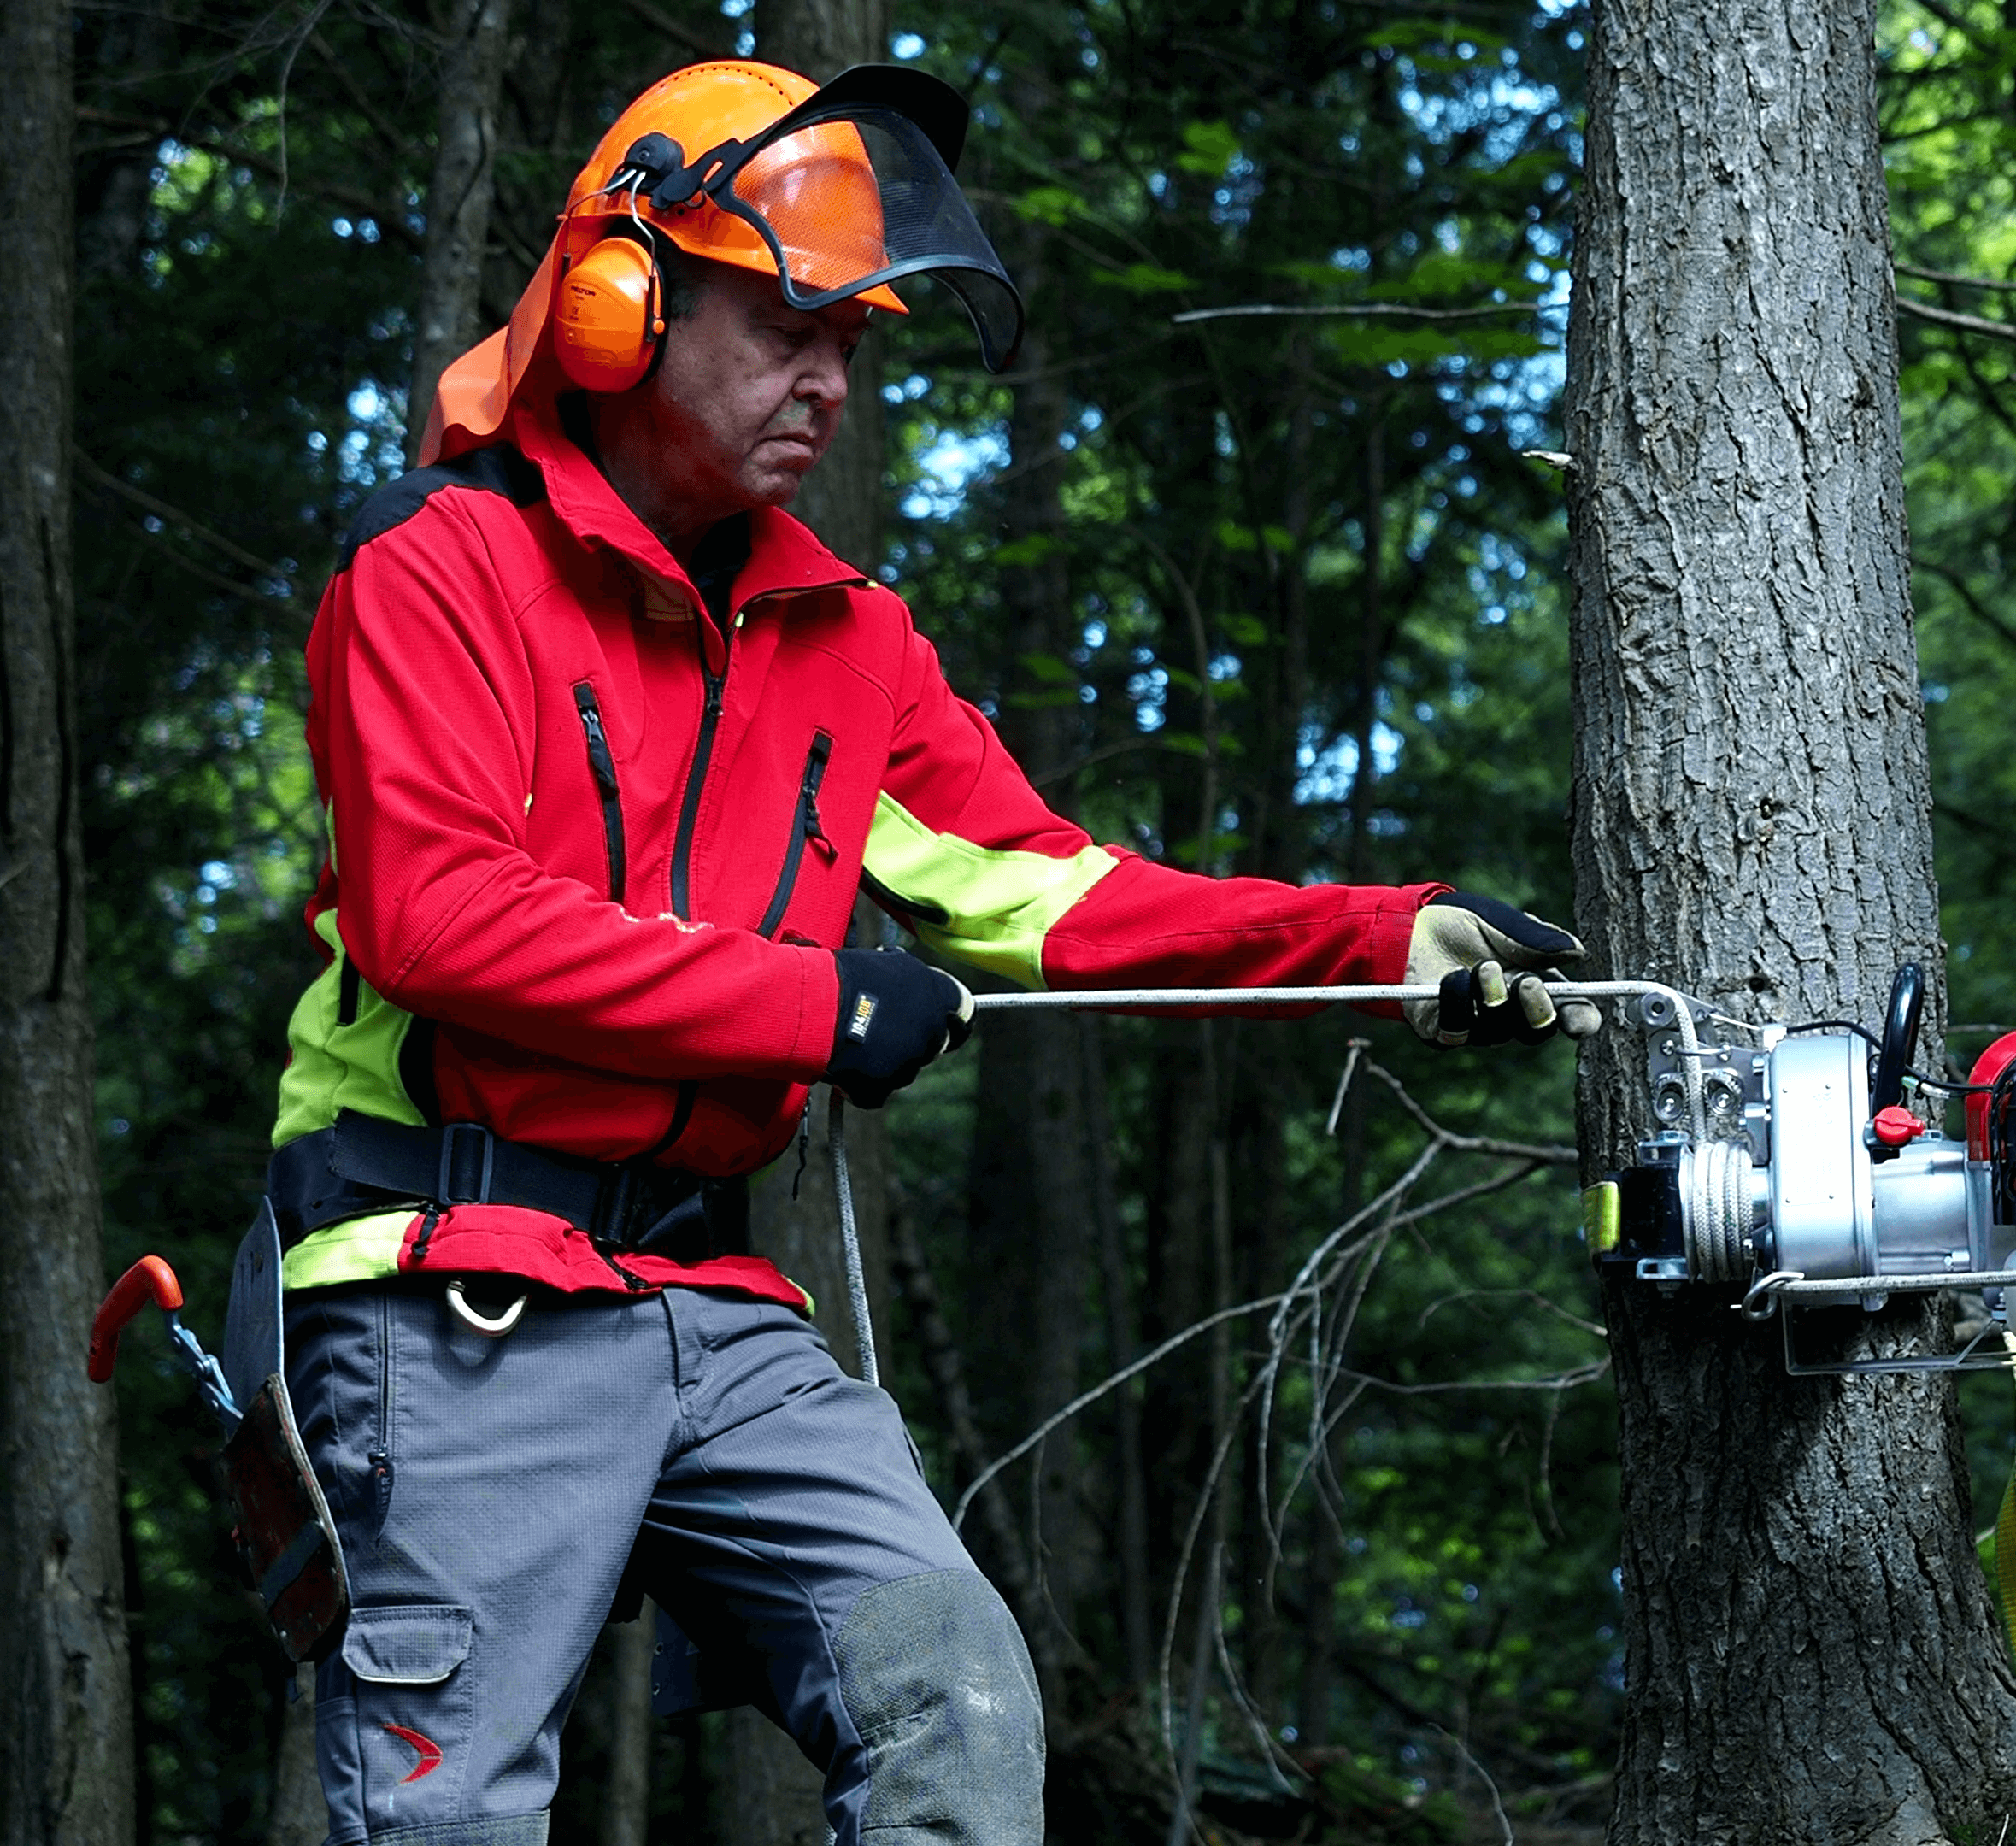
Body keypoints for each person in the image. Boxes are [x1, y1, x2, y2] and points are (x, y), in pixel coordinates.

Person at [265, 58, 1590, 1845]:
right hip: (452, 1281)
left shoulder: (847, 636)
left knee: (953, 1694)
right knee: (448, 1813)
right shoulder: (440, 569)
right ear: (618, 299)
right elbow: (444, 919)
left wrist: (1379, 936)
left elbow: (1056, 896)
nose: (826, 383)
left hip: (705, 1308)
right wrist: (814, 1002)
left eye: (855, 346)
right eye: (783, 326)